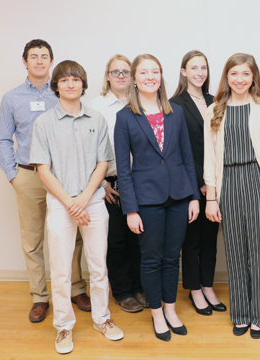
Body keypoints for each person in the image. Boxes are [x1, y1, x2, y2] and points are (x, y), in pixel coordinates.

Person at [29, 60, 123, 354]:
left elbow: (103, 163)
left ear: (83, 85)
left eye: (76, 79)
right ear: (56, 86)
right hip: (60, 204)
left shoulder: (96, 119)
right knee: (60, 270)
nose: (71, 84)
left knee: (98, 266)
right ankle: (64, 327)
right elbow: (43, 170)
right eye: (65, 80)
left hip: (92, 201)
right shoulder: (43, 123)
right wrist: (70, 203)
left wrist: (84, 198)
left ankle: (102, 319)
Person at [0, 39, 90, 324]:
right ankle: (39, 296)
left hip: (64, 177)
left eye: (44, 56)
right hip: (29, 175)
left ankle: (76, 288)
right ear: (25, 61)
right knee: (32, 239)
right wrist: (13, 176)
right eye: (33, 56)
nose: (39, 61)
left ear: (51, 61)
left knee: (70, 236)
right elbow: (2, 139)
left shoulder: (63, 92)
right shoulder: (12, 98)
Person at [114, 54, 200, 342]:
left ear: (161, 77)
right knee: (151, 259)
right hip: (146, 200)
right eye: (144, 72)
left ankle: (171, 309)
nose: (150, 77)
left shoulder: (174, 111)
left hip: (178, 196)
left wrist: (193, 197)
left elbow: (187, 158)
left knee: (171, 257)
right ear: (134, 79)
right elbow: (123, 170)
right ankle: (156, 313)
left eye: (155, 72)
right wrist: (130, 210)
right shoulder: (124, 117)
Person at [204, 53, 260, 339]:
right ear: (226, 77)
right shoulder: (215, 109)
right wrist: (211, 199)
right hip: (228, 184)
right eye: (234, 74)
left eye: (245, 74)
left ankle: (259, 316)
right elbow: (210, 158)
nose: (240, 80)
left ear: (254, 78)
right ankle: (240, 314)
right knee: (235, 253)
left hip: (258, 182)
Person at [170, 50, 226, 316]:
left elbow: (220, 145)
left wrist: (214, 182)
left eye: (203, 67)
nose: (199, 73)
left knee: (210, 240)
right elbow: (180, 151)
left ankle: (207, 285)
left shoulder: (216, 101)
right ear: (183, 71)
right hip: (191, 186)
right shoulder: (174, 104)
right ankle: (194, 289)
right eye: (194, 68)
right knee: (191, 241)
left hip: (217, 184)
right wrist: (201, 183)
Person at [91, 55, 145, 313]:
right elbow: (89, 149)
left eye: (126, 71)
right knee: (117, 241)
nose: (121, 76)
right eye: (116, 72)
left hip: (141, 181)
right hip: (110, 183)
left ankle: (139, 287)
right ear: (108, 76)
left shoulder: (143, 102)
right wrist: (101, 184)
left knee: (140, 239)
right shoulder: (97, 107)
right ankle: (122, 291)